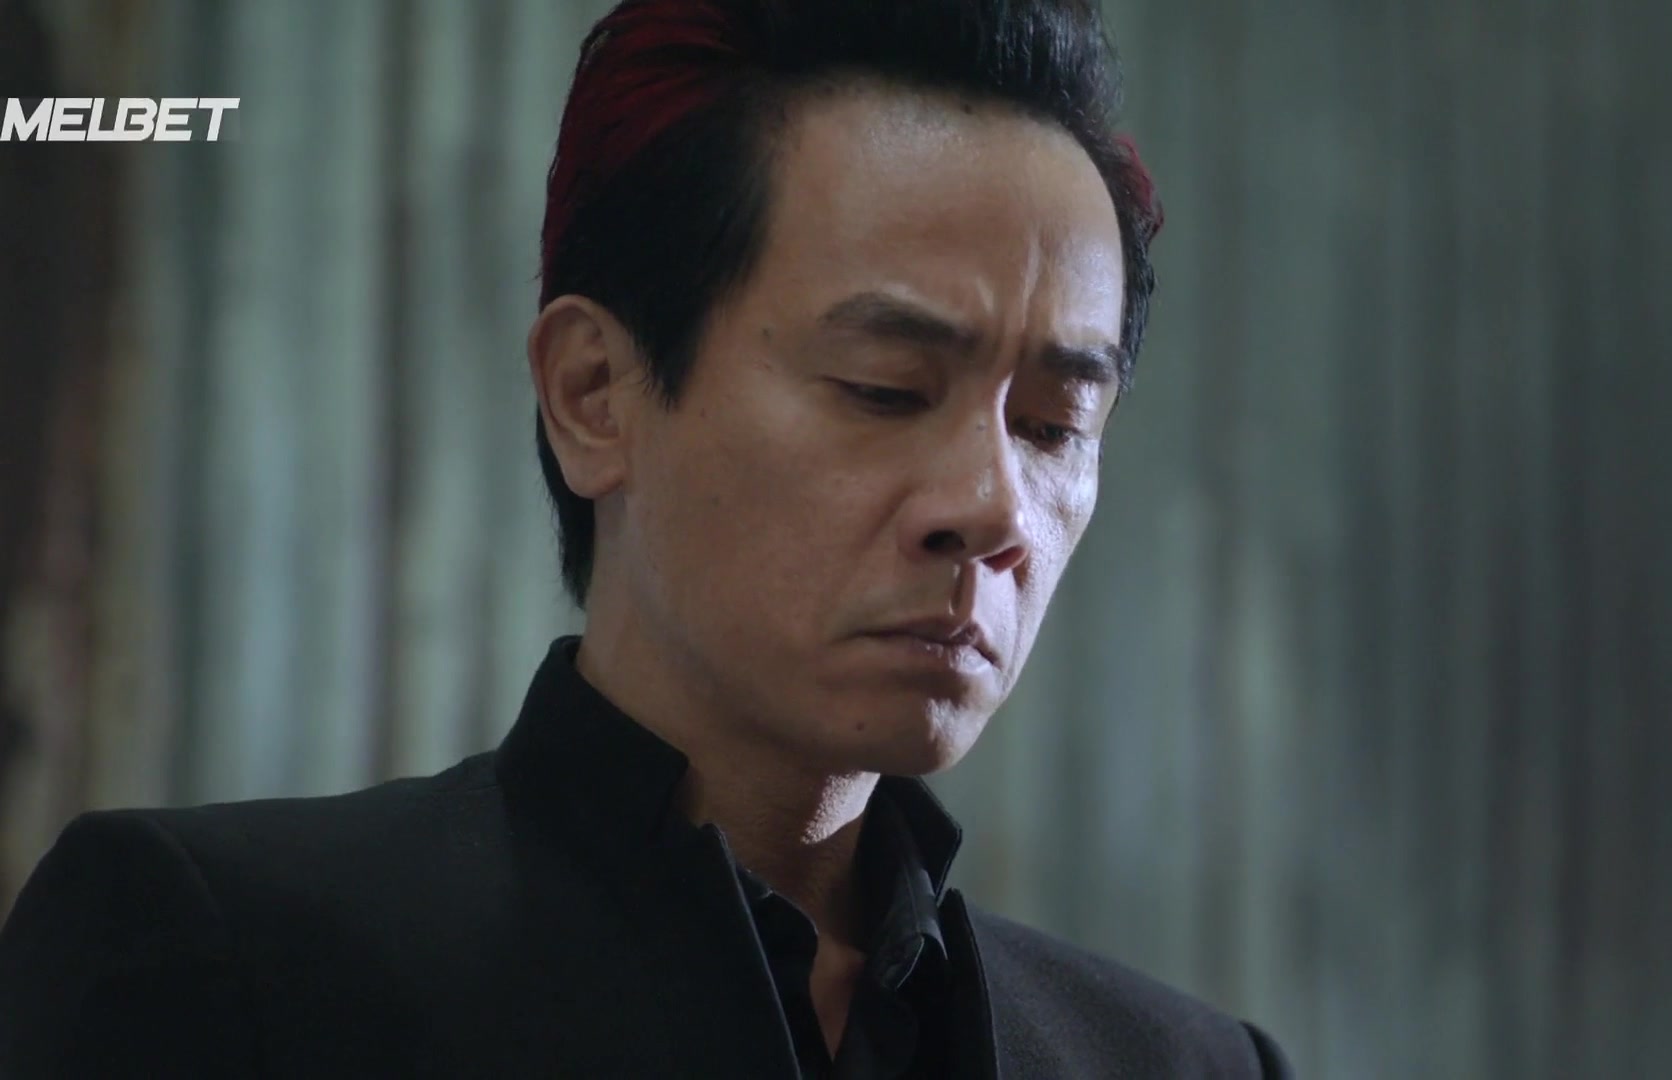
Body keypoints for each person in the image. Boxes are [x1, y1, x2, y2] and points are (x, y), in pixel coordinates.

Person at [0, 1, 1291, 1075]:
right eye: (887, 389)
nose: (995, 508)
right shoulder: (226, 965)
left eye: (1056, 424)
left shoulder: (1188, 1065)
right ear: (594, 394)